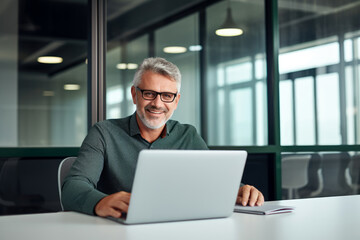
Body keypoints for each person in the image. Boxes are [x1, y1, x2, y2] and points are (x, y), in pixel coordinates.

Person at [62, 57, 264, 218]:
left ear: (176, 101)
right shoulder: (104, 132)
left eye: (167, 96)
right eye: (149, 93)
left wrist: (240, 190)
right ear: (134, 95)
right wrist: (99, 202)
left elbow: (215, 182)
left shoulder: (188, 135)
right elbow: (73, 186)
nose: (158, 104)